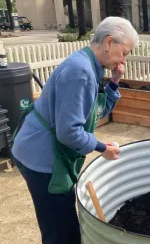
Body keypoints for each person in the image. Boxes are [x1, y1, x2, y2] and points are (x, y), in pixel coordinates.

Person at [11, 16, 139, 244]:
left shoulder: (92, 65)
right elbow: (68, 132)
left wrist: (115, 82)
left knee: (65, 222)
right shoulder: (81, 72)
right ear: (109, 42)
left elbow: (96, 112)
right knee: (59, 229)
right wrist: (102, 148)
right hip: (40, 157)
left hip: (46, 150)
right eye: (125, 52)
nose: (124, 59)